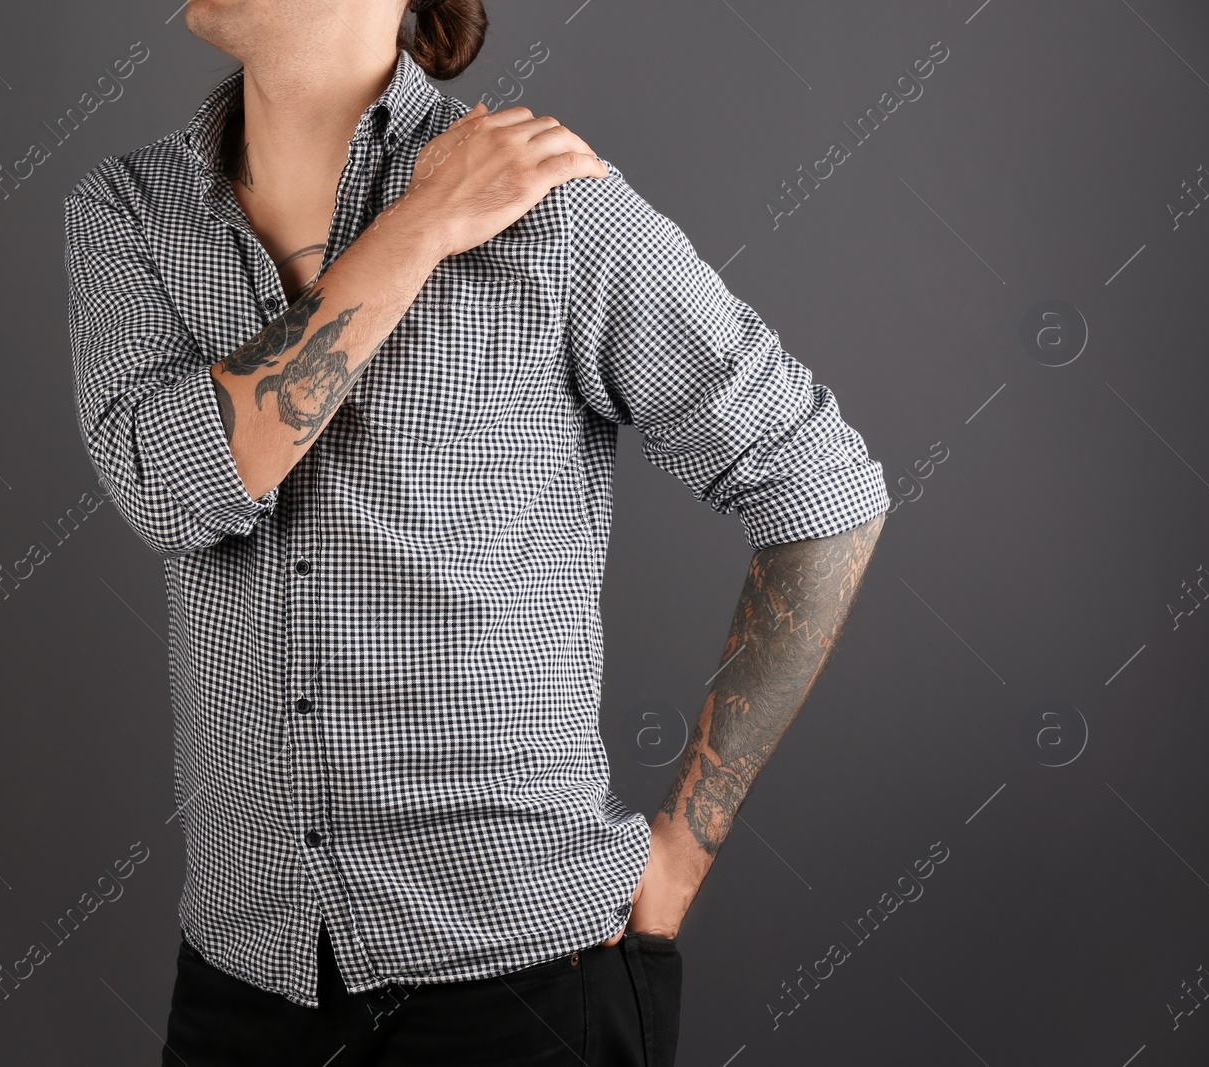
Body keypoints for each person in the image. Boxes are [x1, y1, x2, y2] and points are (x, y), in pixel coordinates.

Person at [63, 1, 889, 1063]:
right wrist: (418, 227)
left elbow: (820, 488)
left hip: (524, 983)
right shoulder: (128, 213)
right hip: (246, 983)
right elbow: (171, 487)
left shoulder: (557, 211)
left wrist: (681, 850)